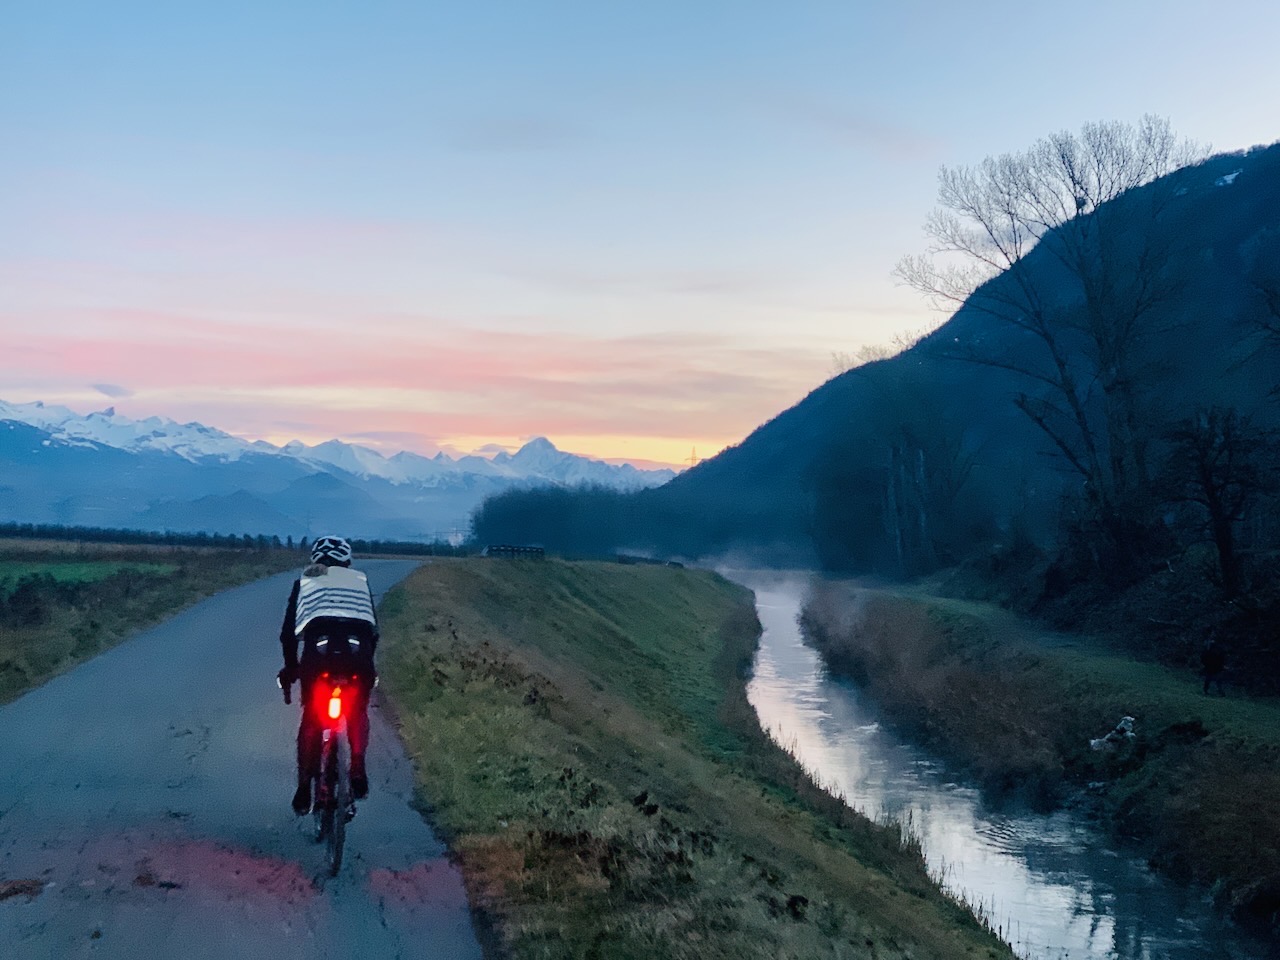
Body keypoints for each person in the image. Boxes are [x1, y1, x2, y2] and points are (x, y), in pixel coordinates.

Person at [278, 535, 378, 815]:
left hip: (317, 657)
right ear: (347, 562)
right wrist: (369, 665)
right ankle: (357, 766)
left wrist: (291, 667)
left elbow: (288, 634)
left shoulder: (304, 583)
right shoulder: (360, 582)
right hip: (358, 657)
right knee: (357, 712)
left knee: (311, 718)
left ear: (315, 561)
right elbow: (373, 630)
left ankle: (303, 788)